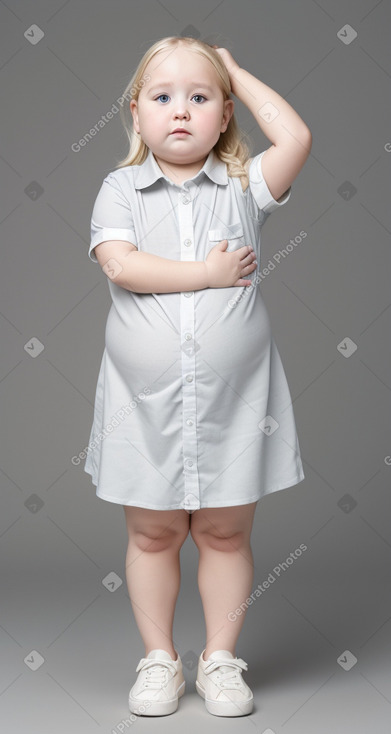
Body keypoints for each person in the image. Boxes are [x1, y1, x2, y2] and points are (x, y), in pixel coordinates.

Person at [84, 35, 311, 718]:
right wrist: (206, 276)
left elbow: (295, 136)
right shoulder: (120, 187)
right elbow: (122, 265)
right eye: (161, 97)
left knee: (223, 534)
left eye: (199, 96)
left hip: (232, 403)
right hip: (142, 404)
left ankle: (219, 659)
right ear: (136, 112)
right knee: (152, 534)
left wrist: (237, 72)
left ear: (224, 114)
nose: (178, 111)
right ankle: (159, 659)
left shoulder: (245, 185)